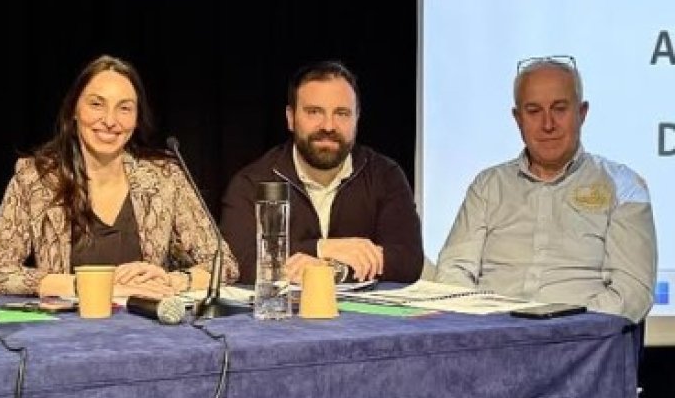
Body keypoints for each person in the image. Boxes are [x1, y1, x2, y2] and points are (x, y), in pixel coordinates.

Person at [0, 55, 238, 299]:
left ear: (136, 119)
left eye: (124, 108)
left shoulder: (165, 177)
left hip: (147, 324)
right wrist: (91, 286)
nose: (110, 120)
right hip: (70, 325)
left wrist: (170, 280)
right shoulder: (36, 178)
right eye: (96, 104)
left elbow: (224, 265)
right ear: (74, 110)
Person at [434, 56, 656, 322]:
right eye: (534, 111)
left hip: (581, 341)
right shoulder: (487, 186)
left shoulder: (624, 187)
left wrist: (563, 329)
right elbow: (453, 271)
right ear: (518, 118)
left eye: (559, 109)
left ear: (582, 113)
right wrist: (482, 326)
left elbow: (631, 293)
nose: (548, 124)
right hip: (491, 335)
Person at [220, 61, 423, 285]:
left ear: (357, 118)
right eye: (314, 112)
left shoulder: (385, 176)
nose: (328, 126)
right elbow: (237, 261)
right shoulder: (252, 182)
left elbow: (408, 260)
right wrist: (323, 248)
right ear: (290, 118)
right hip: (286, 308)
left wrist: (335, 270)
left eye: (342, 113)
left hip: (360, 308)